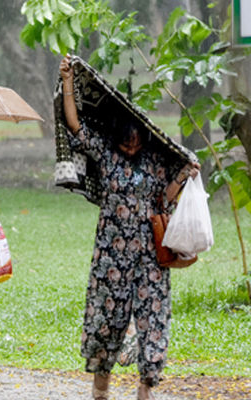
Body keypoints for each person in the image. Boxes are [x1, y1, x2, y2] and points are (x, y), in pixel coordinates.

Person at [59, 54, 200, 400]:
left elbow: (165, 197)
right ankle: (101, 385)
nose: (132, 147)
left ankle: (146, 387)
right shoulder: (106, 152)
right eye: (127, 143)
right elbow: (75, 125)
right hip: (111, 255)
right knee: (107, 319)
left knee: (154, 318)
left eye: (136, 142)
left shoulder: (156, 157)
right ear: (117, 138)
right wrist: (67, 81)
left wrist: (184, 175)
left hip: (151, 254)